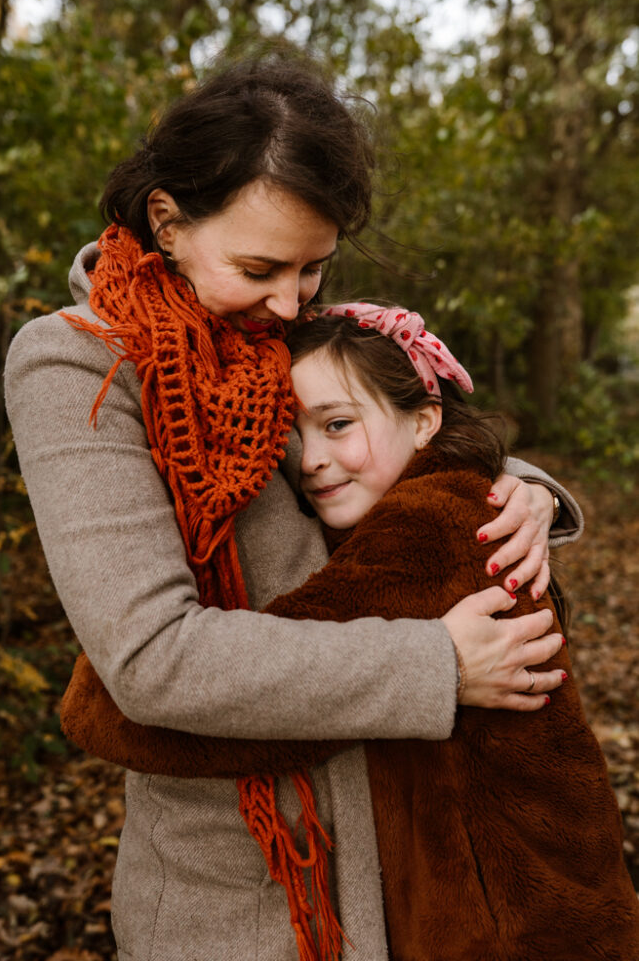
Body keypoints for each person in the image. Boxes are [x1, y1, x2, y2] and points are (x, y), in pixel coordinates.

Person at [4, 56, 583, 961]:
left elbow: (395, 430)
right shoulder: (75, 366)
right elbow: (152, 657)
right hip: (241, 892)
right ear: (167, 220)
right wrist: (432, 665)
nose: (287, 302)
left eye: (313, 268)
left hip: (403, 847)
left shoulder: (277, 326)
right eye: (260, 266)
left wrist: (521, 491)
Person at [262, 302, 638, 960]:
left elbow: (252, 696)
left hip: (500, 928)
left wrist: (132, 674)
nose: (311, 460)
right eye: (293, 435)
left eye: (338, 424)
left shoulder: (418, 531)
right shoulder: (453, 498)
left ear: (423, 420)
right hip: (566, 897)